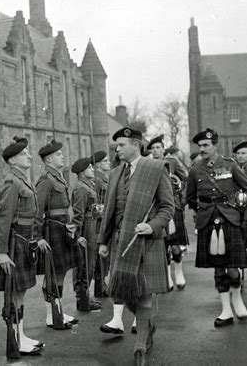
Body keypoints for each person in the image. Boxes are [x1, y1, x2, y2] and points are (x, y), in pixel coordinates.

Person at [98, 127, 174, 364]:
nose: (117, 149)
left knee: (144, 295)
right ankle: (147, 325)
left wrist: (151, 226)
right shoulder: (115, 174)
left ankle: (140, 344)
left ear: (136, 145)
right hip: (121, 241)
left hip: (147, 241)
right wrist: (103, 241)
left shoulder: (155, 169)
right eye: (116, 146)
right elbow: (110, 210)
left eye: (121, 145)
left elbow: (168, 208)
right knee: (125, 293)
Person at [186, 129, 247, 328]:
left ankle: (237, 299)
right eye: (200, 146)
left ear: (215, 145)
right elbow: (190, 198)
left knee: (233, 268)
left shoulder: (230, 165)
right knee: (218, 268)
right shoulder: (195, 169)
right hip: (208, 221)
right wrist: (202, 211)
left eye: (206, 145)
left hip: (231, 219)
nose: (202, 149)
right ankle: (225, 310)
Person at [0, 136, 47, 356]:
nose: (29, 156)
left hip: (25, 240)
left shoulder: (23, 180)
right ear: (13, 161)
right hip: (15, 242)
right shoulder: (11, 182)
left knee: (21, 292)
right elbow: (3, 219)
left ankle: (20, 335)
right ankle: (15, 338)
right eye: (24, 154)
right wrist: (2, 252)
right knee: (14, 293)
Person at [36, 139, 80, 328]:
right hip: (52, 228)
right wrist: (37, 237)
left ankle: (58, 310)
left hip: (62, 227)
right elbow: (37, 210)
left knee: (61, 271)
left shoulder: (59, 177)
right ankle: (50, 314)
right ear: (48, 160)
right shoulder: (47, 179)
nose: (62, 156)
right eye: (58, 154)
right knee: (52, 273)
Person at [148, 135, 189, 290]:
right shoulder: (148, 164)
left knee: (176, 245)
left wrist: (180, 194)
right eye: (152, 148)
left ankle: (179, 273)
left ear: (163, 149)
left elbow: (186, 179)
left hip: (173, 206)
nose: (155, 150)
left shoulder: (172, 162)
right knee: (162, 245)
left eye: (158, 147)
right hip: (156, 209)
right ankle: (167, 277)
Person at [71, 157, 101, 311]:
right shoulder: (82, 188)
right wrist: (78, 236)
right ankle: (81, 299)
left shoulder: (89, 186)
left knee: (91, 263)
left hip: (93, 225)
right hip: (86, 228)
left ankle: (86, 296)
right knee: (84, 264)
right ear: (82, 173)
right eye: (89, 168)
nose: (92, 169)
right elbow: (78, 215)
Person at [233, 140, 247, 287]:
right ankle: (239, 277)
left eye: (244, 153)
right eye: (238, 153)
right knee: (237, 247)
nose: (240, 156)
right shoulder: (232, 169)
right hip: (236, 213)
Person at [91, 150, 111, 299]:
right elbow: (96, 202)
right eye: (105, 161)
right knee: (101, 257)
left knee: (103, 258)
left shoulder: (104, 178)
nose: (108, 163)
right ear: (97, 164)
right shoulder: (97, 180)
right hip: (99, 222)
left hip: (104, 220)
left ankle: (102, 286)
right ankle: (101, 287)